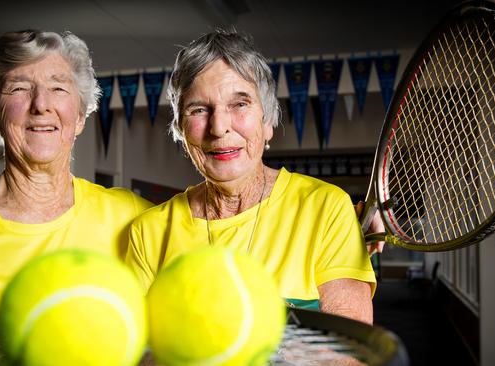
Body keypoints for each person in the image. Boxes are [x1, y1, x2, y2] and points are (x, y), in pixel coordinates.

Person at [0, 30, 152, 339]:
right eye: (19, 88)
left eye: (58, 87)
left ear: (79, 116)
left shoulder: (135, 217)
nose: (41, 104)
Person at [125, 29, 377, 324]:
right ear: (181, 132)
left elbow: (348, 351)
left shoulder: (326, 209)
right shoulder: (149, 232)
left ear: (268, 122)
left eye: (240, 104)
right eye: (199, 109)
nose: (219, 127)